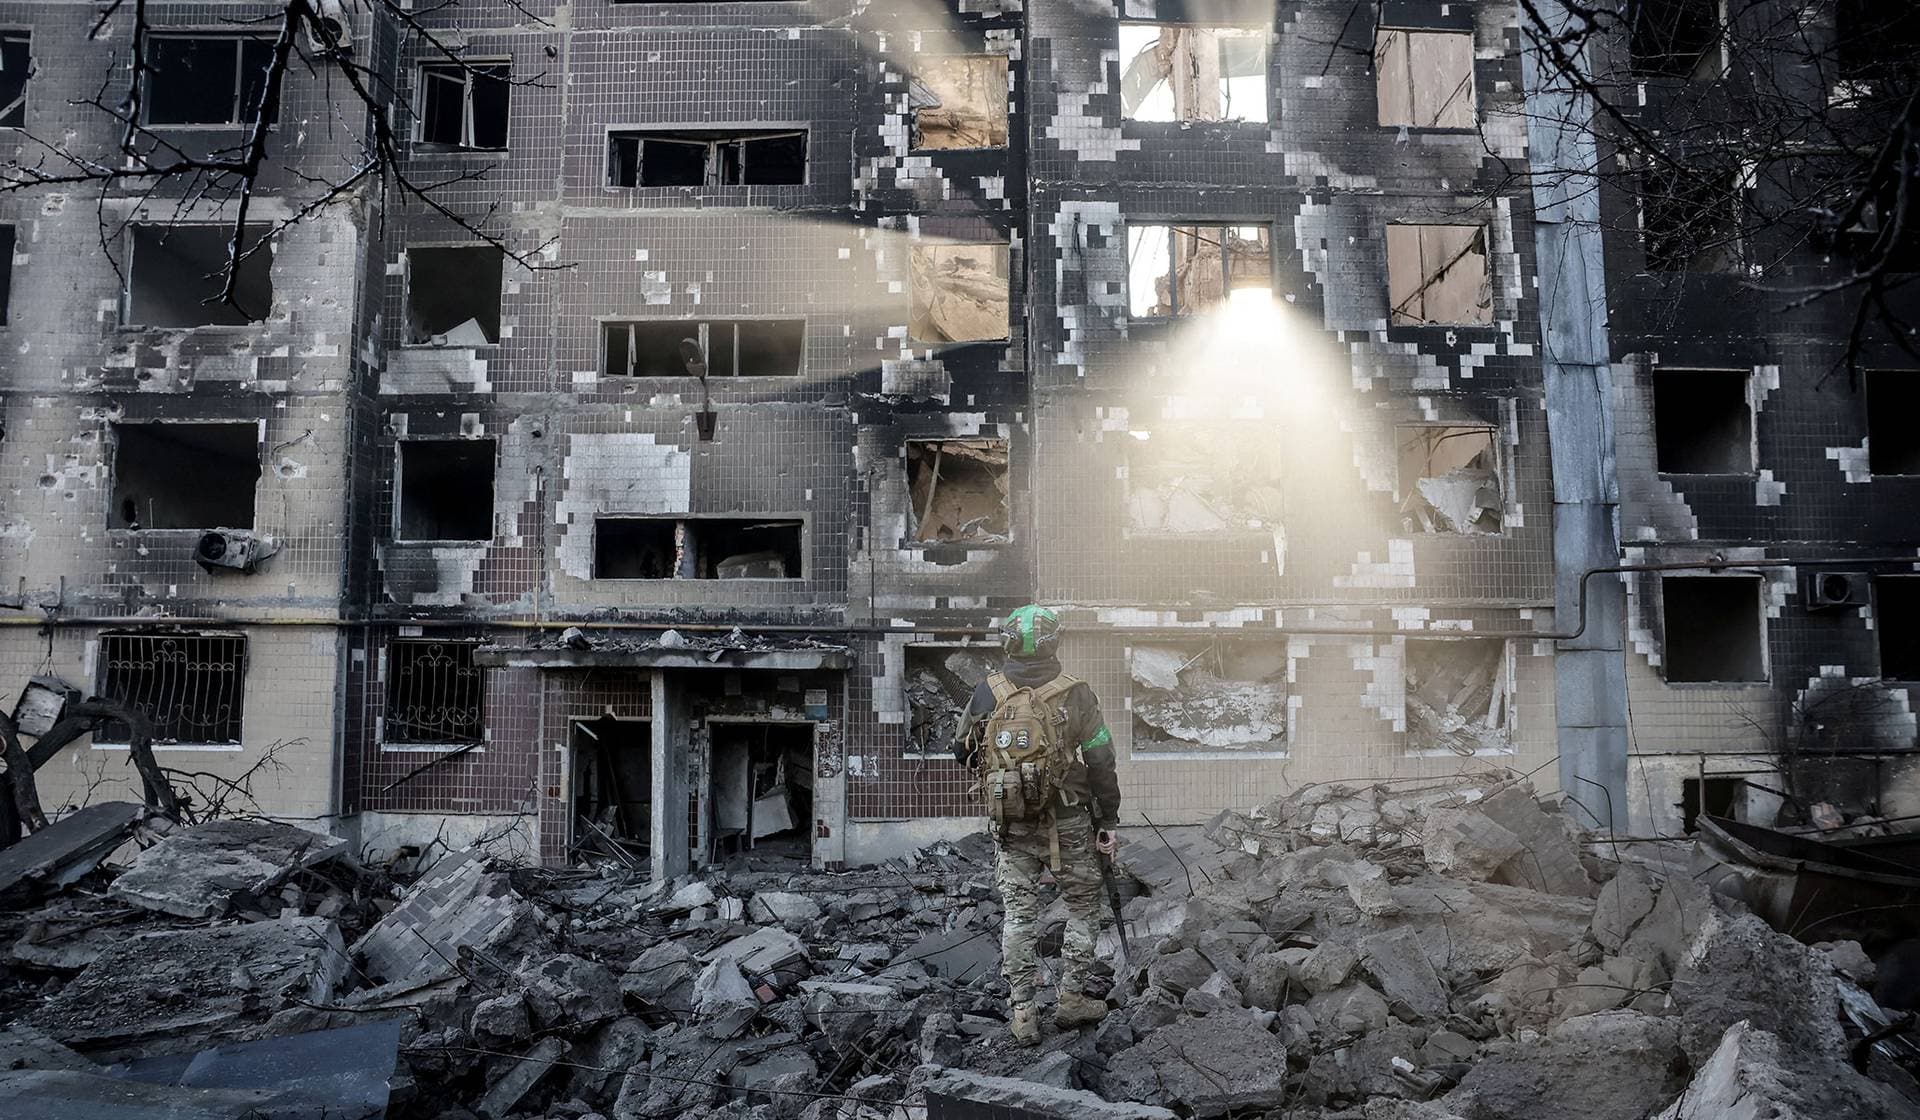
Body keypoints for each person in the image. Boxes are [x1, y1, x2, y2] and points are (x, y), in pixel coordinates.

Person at [953, 604, 1122, 1043]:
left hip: (1011, 825)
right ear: (1056, 642)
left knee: (1018, 917)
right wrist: (1108, 819)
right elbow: (1101, 760)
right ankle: (1071, 999)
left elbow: (960, 750)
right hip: (1069, 822)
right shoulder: (1078, 693)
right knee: (1084, 909)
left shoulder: (987, 692)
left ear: (1007, 642)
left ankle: (1024, 1013)